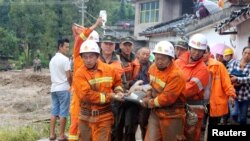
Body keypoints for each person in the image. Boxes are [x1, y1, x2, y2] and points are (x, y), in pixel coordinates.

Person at [74, 40, 124, 141]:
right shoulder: (79, 74)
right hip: (85, 118)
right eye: (85, 57)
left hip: (104, 117)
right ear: (82, 58)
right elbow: (86, 95)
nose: (88, 60)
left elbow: (117, 82)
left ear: (97, 56)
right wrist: (111, 96)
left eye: (91, 56)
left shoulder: (109, 70)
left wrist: (118, 91)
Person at [141, 41, 186, 141]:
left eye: (163, 59)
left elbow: (167, 98)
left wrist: (149, 103)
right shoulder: (153, 68)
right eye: (157, 58)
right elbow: (151, 85)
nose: (159, 62)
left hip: (172, 115)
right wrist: (148, 95)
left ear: (171, 59)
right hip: (156, 113)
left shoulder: (176, 75)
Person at [68, 18, 102, 141]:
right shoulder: (78, 52)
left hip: (92, 94)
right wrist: (96, 25)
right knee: (76, 120)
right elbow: (81, 37)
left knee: (91, 123)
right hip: (79, 93)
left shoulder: (98, 59)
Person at [175, 33, 209, 141]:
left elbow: (188, 90)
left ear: (204, 52)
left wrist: (169, 91)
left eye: (200, 51)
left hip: (193, 110)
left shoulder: (203, 70)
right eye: (194, 49)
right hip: (177, 106)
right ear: (189, 48)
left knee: (191, 137)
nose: (197, 53)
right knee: (175, 136)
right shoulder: (178, 62)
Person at [112, 36, 140, 141]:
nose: (127, 48)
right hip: (118, 94)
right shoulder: (115, 58)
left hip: (132, 95)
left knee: (131, 124)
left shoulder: (135, 58)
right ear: (120, 45)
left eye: (129, 45)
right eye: (125, 45)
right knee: (117, 124)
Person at [203, 46, 236, 125]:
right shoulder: (194, 66)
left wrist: (231, 95)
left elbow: (226, 82)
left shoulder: (218, 66)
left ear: (209, 53)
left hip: (214, 101)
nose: (202, 54)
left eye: (205, 52)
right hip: (199, 102)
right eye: (201, 51)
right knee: (199, 127)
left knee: (213, 123)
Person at [49, 38, 72, 141]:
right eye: (66, 47)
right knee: (63, 112)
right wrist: (71, 85)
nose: (68, 49)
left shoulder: (52, 60)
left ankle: (52, 134)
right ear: (60, 47)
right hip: (63, 88)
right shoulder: (65, 59)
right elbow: (69, 76)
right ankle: (61, 135)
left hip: (54, 88)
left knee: (54, 112)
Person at [133, 47, 151, 140]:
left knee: (144, 123)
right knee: (131, 124)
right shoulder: (132, 65)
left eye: (147, 54)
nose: (145, 56)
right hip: (132, 98)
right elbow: (127, 81)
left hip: (145, 98)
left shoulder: (152, 66)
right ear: (138, 55)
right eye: (143, 54)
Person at [228, 46, 250, 125]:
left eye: (249, 53)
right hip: (233, 95)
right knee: (234, 113)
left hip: (245, 96)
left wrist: (237, 78)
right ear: (242, 53)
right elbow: (228, 74)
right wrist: (232, 79)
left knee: (243, 118)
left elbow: (249, 78)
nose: (247, 55)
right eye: (245, 53)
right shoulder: (234, 62)